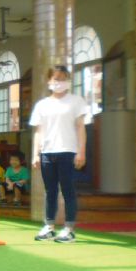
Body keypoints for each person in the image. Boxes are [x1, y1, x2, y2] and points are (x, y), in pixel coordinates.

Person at [30, 65, 90, 243]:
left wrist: (81, 151)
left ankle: (69, 229)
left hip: (68, 151)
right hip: (48, 152)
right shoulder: (42, 105)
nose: (59, 82)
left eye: (63, 79)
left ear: (68, 81)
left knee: (68, 190)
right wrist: (36, 154)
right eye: (56, 78)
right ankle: (49, 226)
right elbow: (38, 131)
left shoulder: (76, 101)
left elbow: (80, 128)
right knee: (50, 191)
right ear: (49, 80)